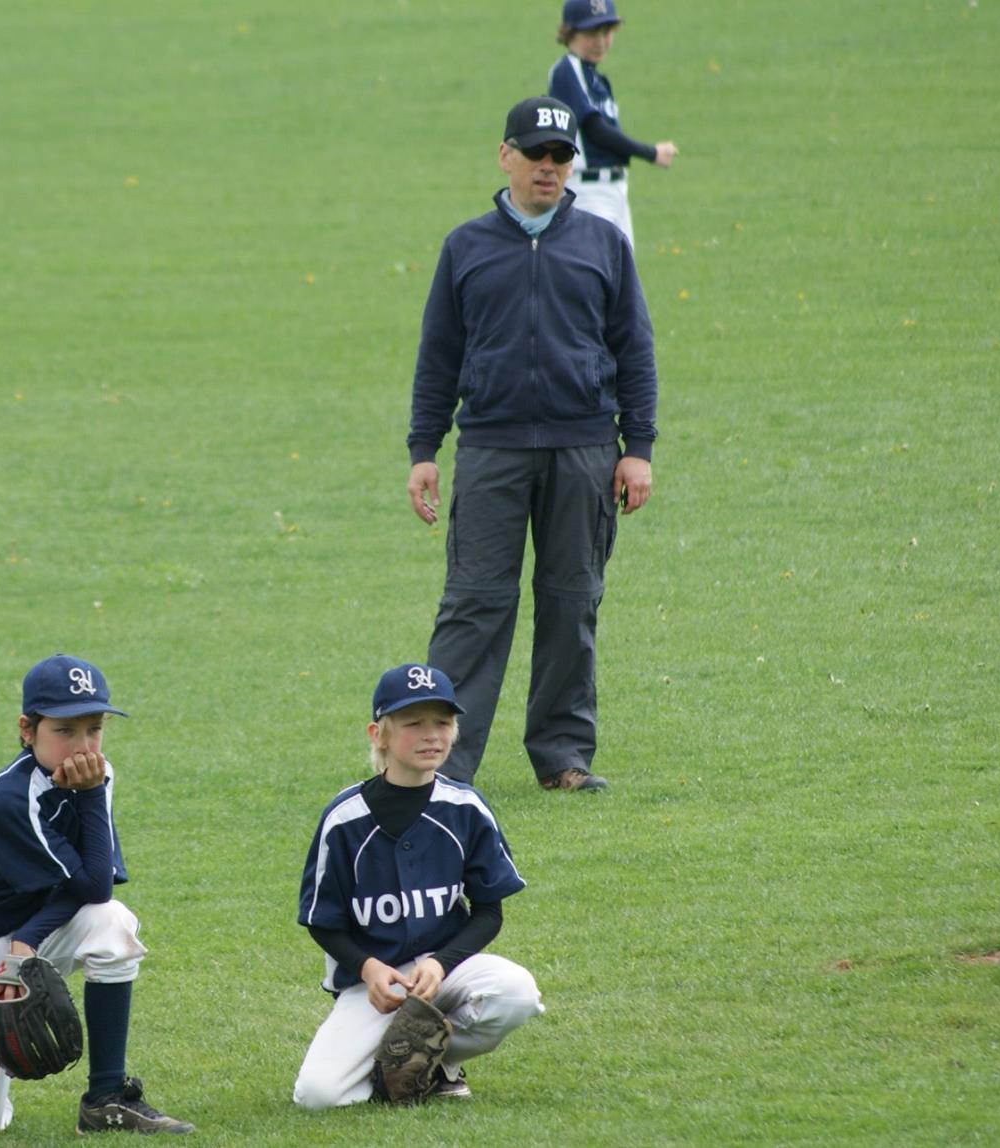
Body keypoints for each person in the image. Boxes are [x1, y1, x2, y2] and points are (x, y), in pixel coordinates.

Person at [404, 95, 658, 793]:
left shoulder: (604, 244)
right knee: (474, 604)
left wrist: (638, 447)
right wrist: (424, 449)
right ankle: (444, 764)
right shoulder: (466, 246)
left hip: (584, 451)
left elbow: (635, 350)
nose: (549, 169)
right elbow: (439, 357)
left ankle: (563, 758)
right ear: (505, 155)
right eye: (536, 155)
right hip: (491, 450)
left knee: (571, 601)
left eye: (561, 158)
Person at [0, 654, 193, 1134]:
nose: (83, 746)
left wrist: (26, 943)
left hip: (29, 928)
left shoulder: (98, 776)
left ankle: (106, 1099)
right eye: (65, 730)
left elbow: (92, 889)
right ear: (27, 730)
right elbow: (87, 881)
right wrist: (22, 944)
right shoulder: (11, 799)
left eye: (94, 728)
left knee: (112, 923)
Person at [292, 664, 544, 1108]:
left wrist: (442, 964)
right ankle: (394, 1065)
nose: (432, 735)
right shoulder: (344, 820)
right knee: (319, 1096)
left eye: (443, 723)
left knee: (516, 992)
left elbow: (489, 910)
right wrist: (367, 967)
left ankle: (436, 1062)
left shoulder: (465, 807)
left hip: (446, 972)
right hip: (376, 986)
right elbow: (322, 921)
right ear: (379, 734)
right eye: (413, 724)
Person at [545, 0, 677, 246]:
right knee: (597, 273)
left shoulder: (597, 79)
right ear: (570, 32)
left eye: (607, 32)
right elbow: (594, 129)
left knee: (621, 278)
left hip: (614, 190)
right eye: (592, 32)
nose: (601, 41)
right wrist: (651, 153)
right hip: (588, 193)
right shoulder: (567, 69)